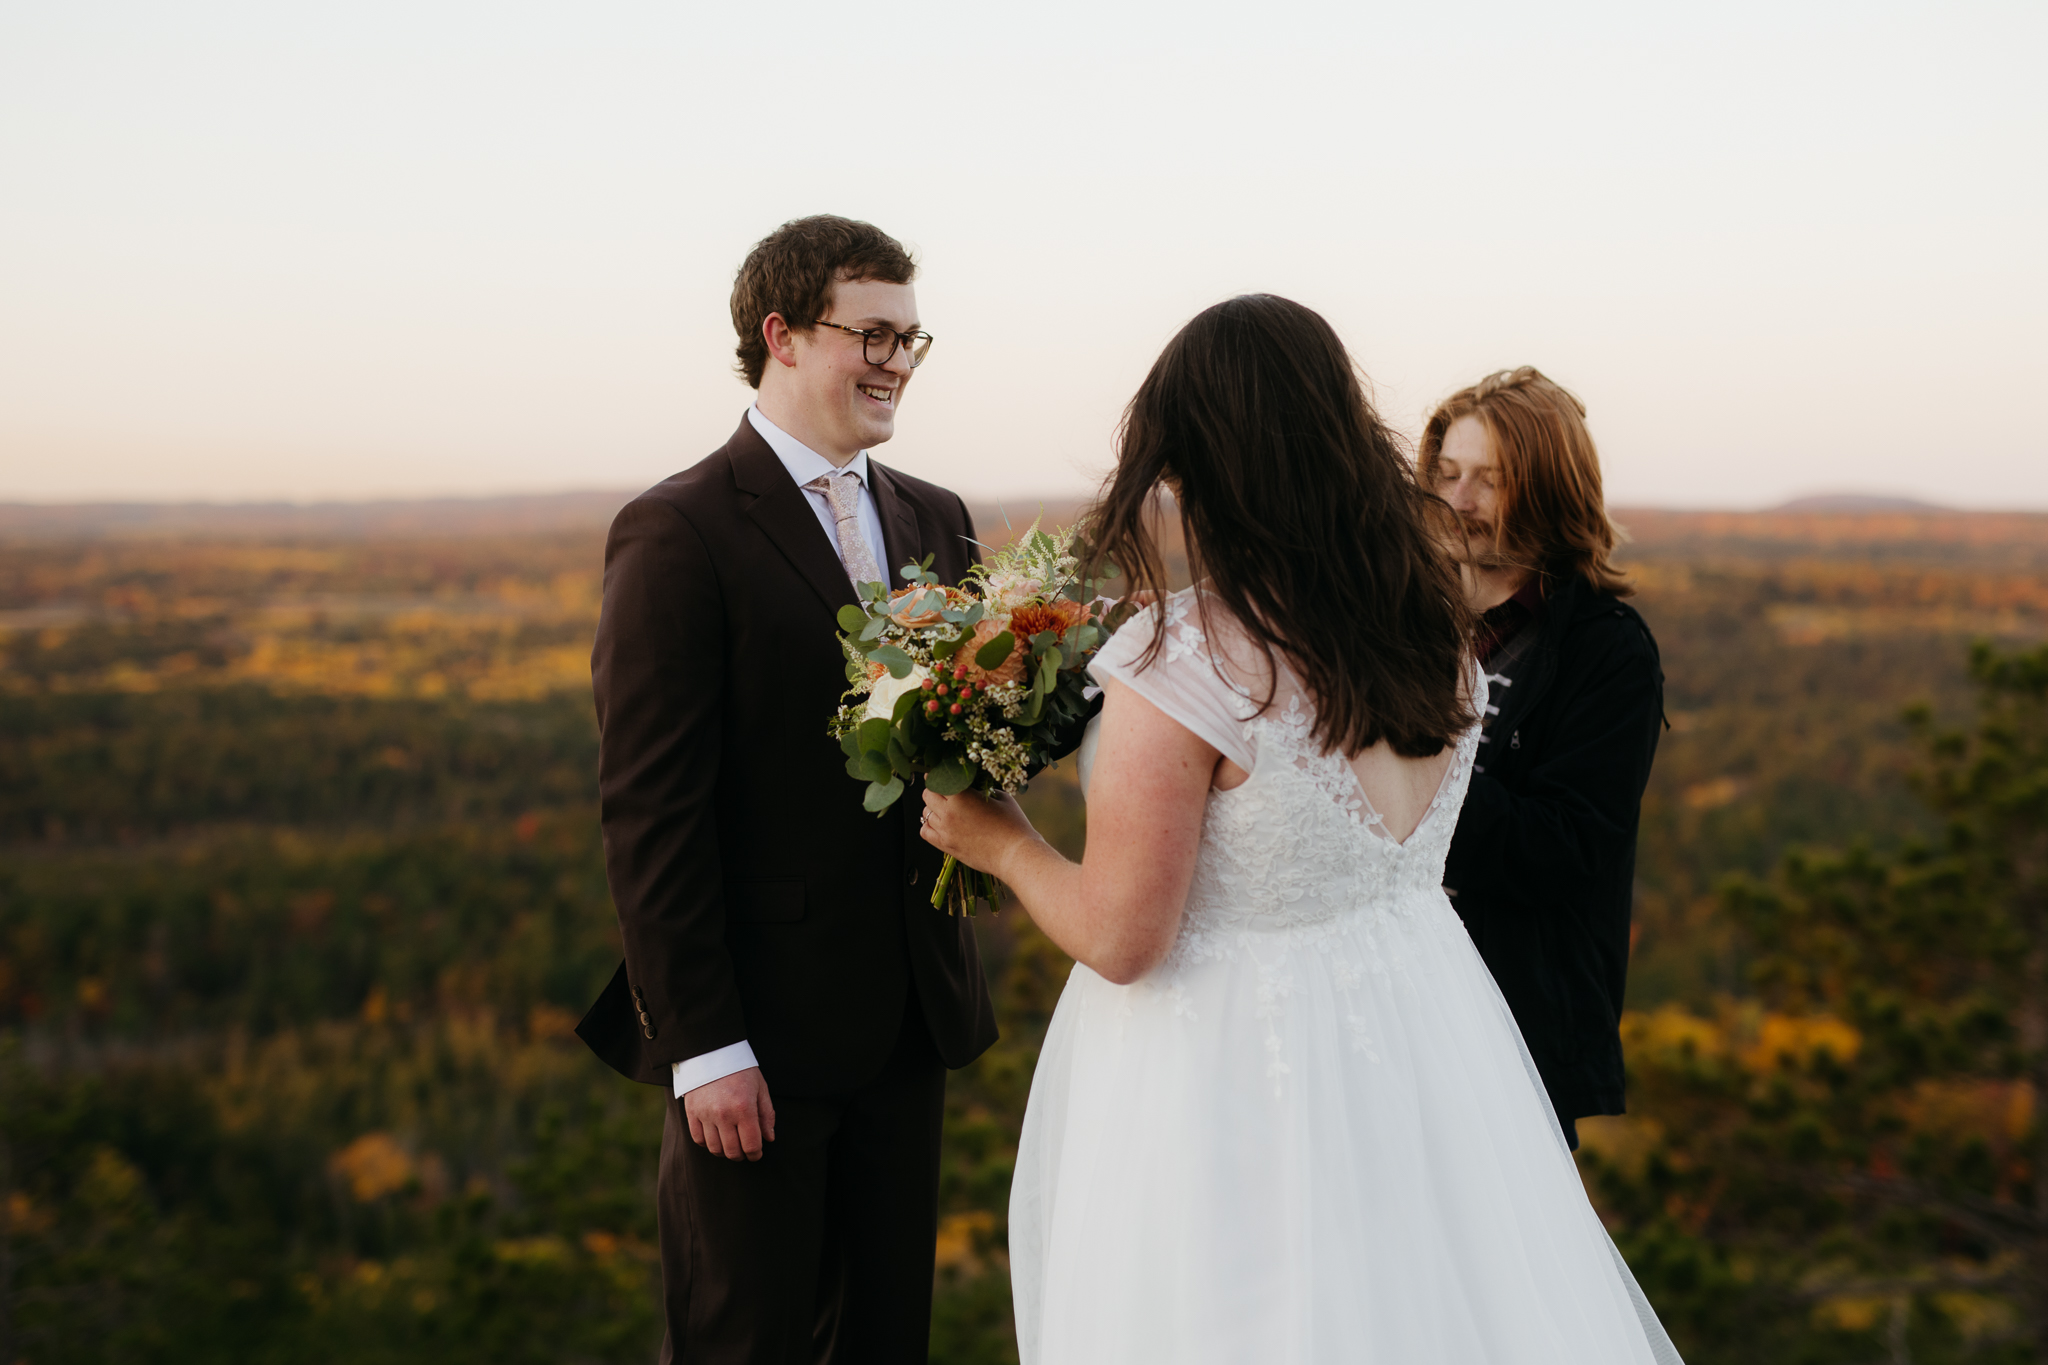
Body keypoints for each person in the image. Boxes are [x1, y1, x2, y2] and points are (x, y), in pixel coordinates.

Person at [919, 296, 1681, 1363]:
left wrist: (996, 840)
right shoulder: (1431, 632)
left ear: (1189, 461)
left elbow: (1122, 939)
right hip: (1423, 1032)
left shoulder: (1181, 654)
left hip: (1227, 1075)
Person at [576, 215, 997, 1364]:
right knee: (742, 1340)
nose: (895, 362)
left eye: (912, 339)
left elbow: (956, 741)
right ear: (782, 335)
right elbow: (651, 816)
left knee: (882, 1341)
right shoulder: (678, 529)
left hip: (909, 1018)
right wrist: (704, 1047)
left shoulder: (934, 516)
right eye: (872, 334)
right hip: (755, 1037)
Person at [1420, 368, 1664, 1152]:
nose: (1459, 501)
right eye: (1448, 475)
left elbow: (1567, 848)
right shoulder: (1400, 626)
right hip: (1381, 1008)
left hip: (1512, 1033)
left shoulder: (1606, 652)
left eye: (1489, 481)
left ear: (1555, 489)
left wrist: (1407, 774)